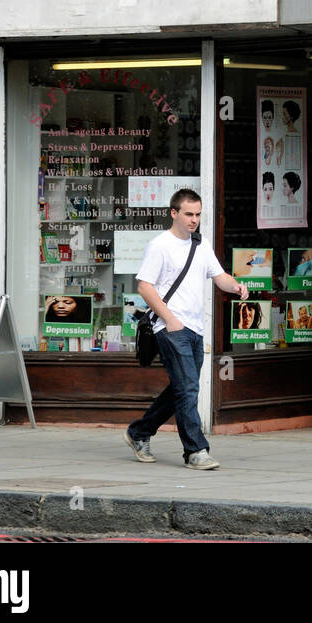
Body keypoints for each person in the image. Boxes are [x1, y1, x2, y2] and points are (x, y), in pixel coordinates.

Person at [124, 188, 248, 470]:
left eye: (198, 214)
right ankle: (196, 451)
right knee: (189, 387)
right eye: (189, 214)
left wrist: (237, 286)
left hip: (195, 327)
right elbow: (144, 286)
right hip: (171, 327)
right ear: (174, 214)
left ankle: (139, 432)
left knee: (182, 388)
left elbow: (219, 277)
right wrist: (170, 319)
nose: (194, 220)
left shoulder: (200, 244)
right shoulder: (160, 245)